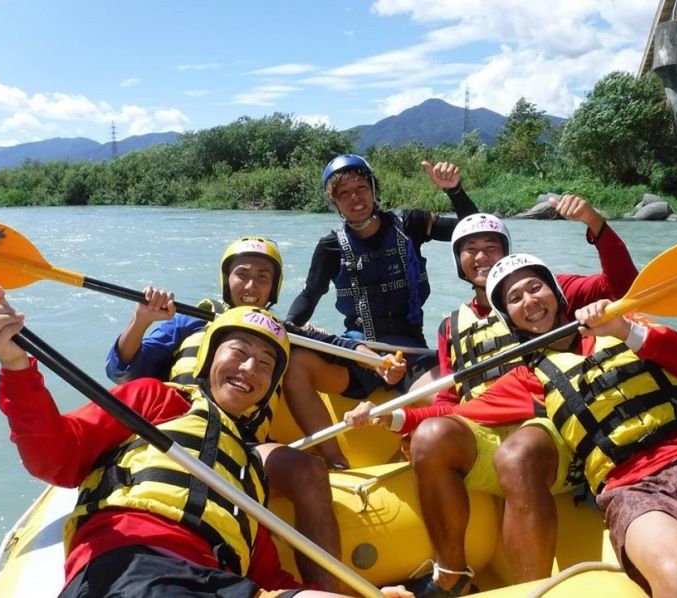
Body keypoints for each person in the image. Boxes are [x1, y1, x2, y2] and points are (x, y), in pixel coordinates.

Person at [0, 291, 413, 598]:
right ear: (210, 359)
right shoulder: (157, 399)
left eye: (265, 364)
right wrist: (16, 366)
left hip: (213, 580)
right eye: (237, 352)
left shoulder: (249, 469)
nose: (250, 368)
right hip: (131, 566)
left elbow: (268, 576)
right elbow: (54, 457)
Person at [344, 199, 639, 595]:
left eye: (491, 247)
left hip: (549, 424)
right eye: (470, 249)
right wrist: (398, 419)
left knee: (518, 451)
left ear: (507, 250)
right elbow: (452, 402)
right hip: (481, 426)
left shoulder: (545, 290)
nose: (481, 257)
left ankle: (530, 589)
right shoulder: (452, 326)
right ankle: (451, 572)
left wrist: (594, 222)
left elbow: (622, 284)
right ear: (459, 261)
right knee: (431, 435)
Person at [104, 236, 404, 591]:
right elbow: (121, 370)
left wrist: (375, 359)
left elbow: (337, 343)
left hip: (242, 449)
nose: (251, 285)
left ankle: (326, 592)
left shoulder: (283, 332)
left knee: (307, 469)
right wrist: (141, 320)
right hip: (176, 439)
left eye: (263, 277)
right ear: (226, 279)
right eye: (241, 274)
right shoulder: (189, 321)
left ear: (274, 287)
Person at [481, 253, 677, 598]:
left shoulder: (624, 322)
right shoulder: (528, 377)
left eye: (535, 287)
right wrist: (395, 417)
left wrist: (623, 329)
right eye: (514, 299)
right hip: (632, 487)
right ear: (510, 318)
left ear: (556, 293)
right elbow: (454, 410)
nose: (529, 301)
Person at [283, 157, 477, 463]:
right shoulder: (330, 246)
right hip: (359, 353)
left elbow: (474, 231)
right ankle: (335, 462)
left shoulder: (411, 224)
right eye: (343, 193)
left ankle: (406, 453)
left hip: (409, 351)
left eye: (361, 188)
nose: (355, 198)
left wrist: (455, 191)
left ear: (374, 189)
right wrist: (287, 325)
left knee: (457, 402)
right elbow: (310, 295)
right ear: (335, 203)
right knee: (295, 365)